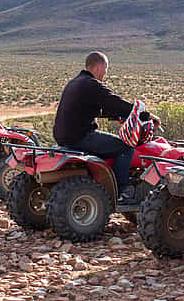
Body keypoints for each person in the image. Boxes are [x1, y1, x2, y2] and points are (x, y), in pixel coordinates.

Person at [53, 51, 157, 202]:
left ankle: (101, 183)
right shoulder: (91, 84)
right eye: (106, 69)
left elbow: (100, 108)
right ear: (98, 68)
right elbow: (113, 101)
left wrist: (118, 117)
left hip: (63, 136)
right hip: (79, 137)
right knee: (125, 147)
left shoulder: (75, 82)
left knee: (109, 145)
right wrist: (146, 115)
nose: (105, 73)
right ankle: (121, 192)